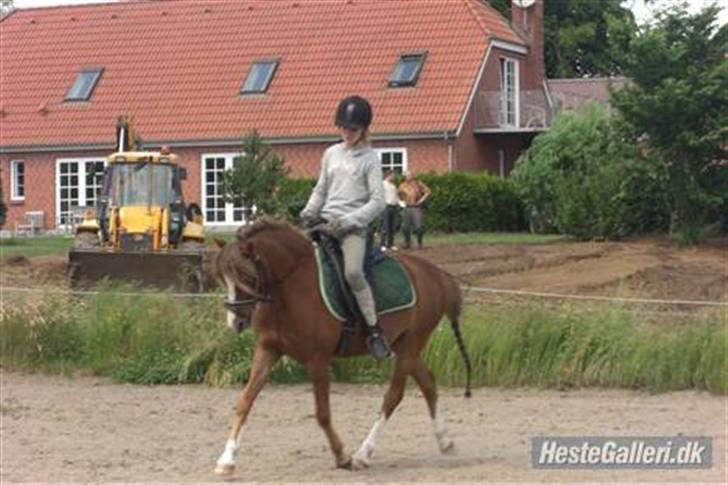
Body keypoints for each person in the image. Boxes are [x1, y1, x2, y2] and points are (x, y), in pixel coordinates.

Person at [300, 95, 390, 359]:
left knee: (352, 272)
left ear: (364, 129)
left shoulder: (370, 159)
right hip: (325, 223)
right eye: (343, 128)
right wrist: (308, 212)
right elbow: (321, 190)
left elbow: (378, 201)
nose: (347, 133)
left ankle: (373, 331)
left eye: (353, 129)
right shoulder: (331, 153)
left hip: (352, 229)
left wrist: (349, 221)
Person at [397, 171, 431, 249]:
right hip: (406, 208)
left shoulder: (418, 184)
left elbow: (428, 191)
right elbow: (397, 195)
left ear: (412, 176)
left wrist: (421, 200)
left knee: (419, 226)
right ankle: (407, 242)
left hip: (416, 208)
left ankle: (420, 243)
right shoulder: (402, 185)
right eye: (406, 175)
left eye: (409, 175)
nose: (407, 177)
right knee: (405, 227)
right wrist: (400, 202)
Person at [379, 170, 400, 251]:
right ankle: (383, 244)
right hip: (385, 207)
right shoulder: (382, 184)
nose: (394, 177)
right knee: (385, 226)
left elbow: (396, 196)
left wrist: (400, 202)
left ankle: (391, 244)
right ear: (388, 175)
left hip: (393, 207)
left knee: (392, 227)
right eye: (393, 175)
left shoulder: (393, 186)